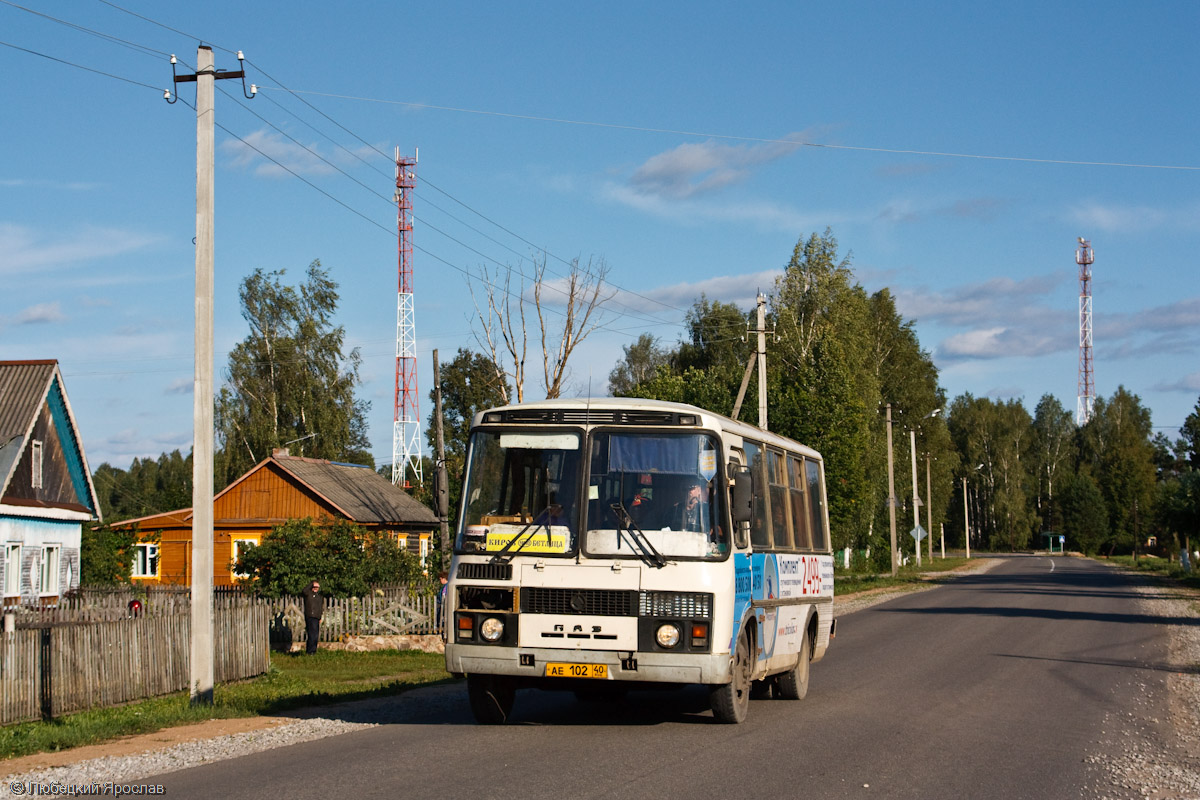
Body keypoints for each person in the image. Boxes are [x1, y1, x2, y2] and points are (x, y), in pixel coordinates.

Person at [301, 579, 323, 655]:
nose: (316, 588)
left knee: (315, 635)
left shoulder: (319, 596)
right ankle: (310, 651)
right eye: (315, 587)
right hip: (310, 616)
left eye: (317, 587)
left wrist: (320, 617)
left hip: (316, 617)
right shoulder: (308, 594)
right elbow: (304, 590)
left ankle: (313, 651)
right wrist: (312, 584)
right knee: (311, 635)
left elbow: (320, 607)